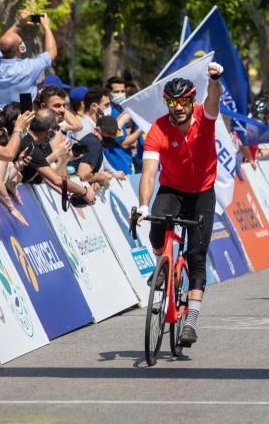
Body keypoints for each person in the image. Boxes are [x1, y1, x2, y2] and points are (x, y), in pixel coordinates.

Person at [137, 63, 224, 347]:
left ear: (192, 101)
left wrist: (214, 80)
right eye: (173, 102)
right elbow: (149, 172)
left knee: (197, 255)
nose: (178, 107)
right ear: (167, 103)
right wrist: (142, 205)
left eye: (184, 101)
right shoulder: (158, 129)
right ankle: (163, 265)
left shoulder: (205, 116)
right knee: (157, 226)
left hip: (202, 191)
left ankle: (191, 322)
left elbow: (214, 98)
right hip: (172, 188)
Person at [0, 10, 57, 108]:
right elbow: (52, 51)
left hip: (1, 118)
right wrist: (46, 27)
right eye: (21, 41)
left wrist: (18, 23)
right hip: (24, 118)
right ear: (20, 48)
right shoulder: (27, 68)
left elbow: (4, 42)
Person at [70, 116, 125, 188]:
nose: (111, 136)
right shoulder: (94, 144)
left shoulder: (94, 141)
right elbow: (83, 175)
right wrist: (102, 177)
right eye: (108, 133)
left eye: (114, 133)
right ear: (96, 130)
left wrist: (96, 179)